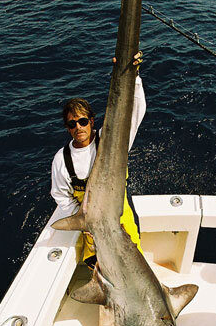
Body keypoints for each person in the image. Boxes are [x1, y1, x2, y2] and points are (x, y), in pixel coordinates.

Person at [51, 53, 146, 269]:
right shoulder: (61, 159)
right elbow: (60, 195)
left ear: (91, 121)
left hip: (121, 222)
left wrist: (134, 76)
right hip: (92, 230)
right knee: (103, 276)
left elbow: (134, 114)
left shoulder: (110, 141)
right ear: (68, 128)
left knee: (135, 270)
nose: (78, 127)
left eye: (82, 121)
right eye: (72, 124)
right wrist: (79, 218)